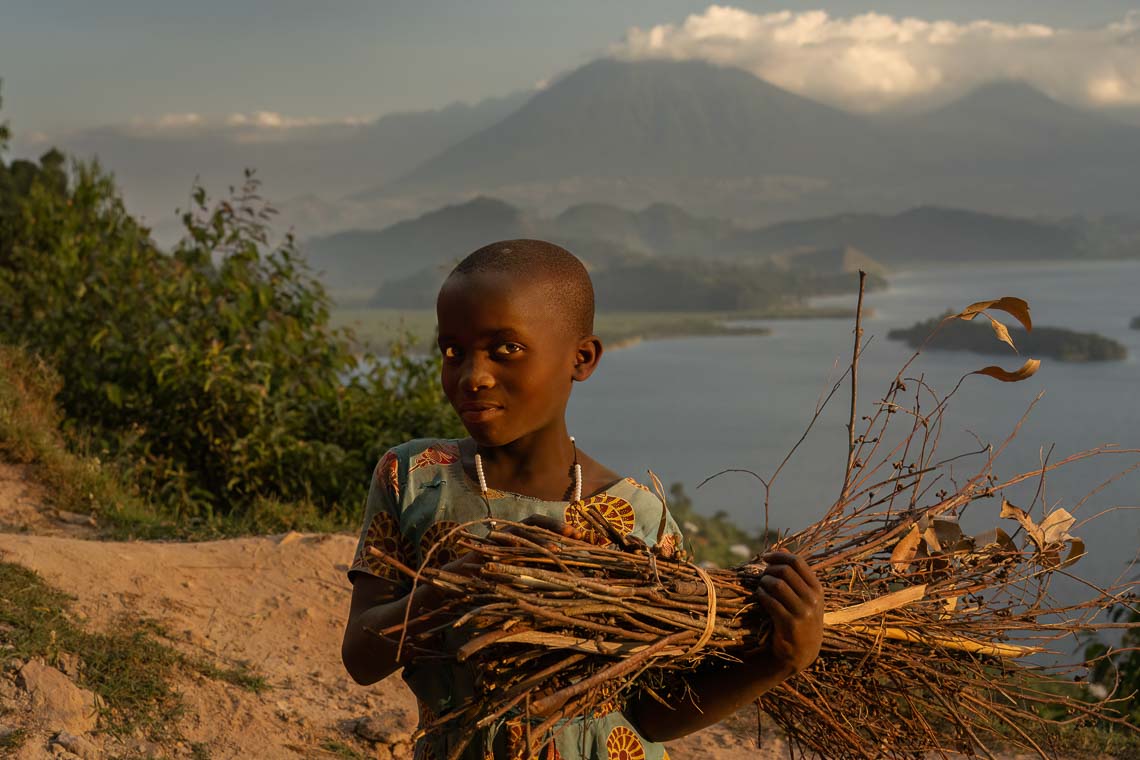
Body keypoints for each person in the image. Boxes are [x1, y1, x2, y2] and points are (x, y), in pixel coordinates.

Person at [341, 239, 824, 759]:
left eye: (505, 348)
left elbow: (653, 714)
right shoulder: (412, 478)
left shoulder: (639, 521)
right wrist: (450, 590)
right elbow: (361, 659)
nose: (472, 376)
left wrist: (779, 660)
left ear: (582, 357)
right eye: (453, 351)